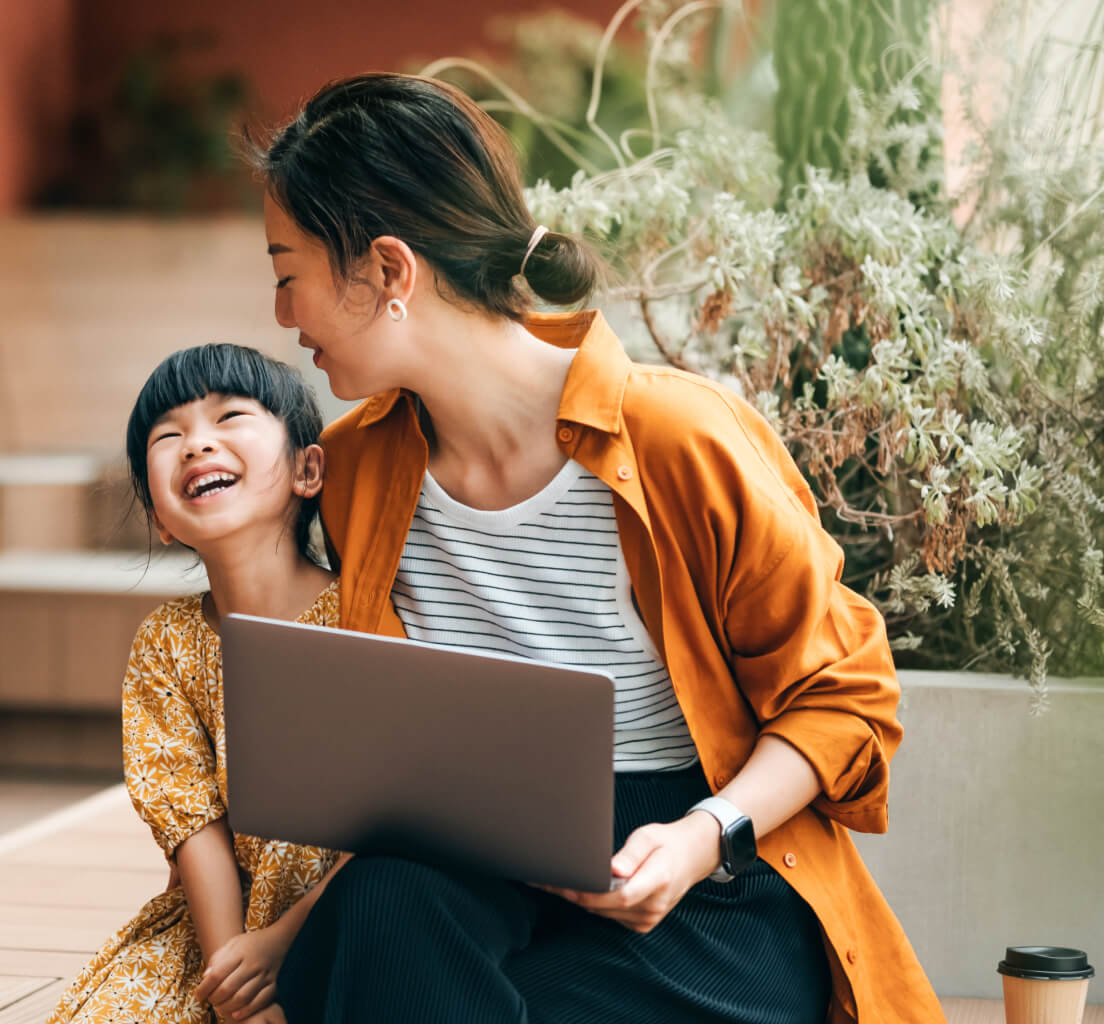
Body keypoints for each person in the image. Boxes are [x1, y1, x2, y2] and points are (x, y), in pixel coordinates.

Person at [248, 73, 947, 1023]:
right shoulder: (360, 468)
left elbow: (846, 698)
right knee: (384, 906)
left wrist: (704, 836)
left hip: (699, 879)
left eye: (288, 273)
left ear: (387, 272)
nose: (283, 316)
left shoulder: (675, 437)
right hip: (474, 867)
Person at [46, 344, 347, 1024]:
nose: (196, 444)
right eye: (167, 435)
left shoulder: (366, 613)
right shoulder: (167, 642)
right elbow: (194, 828)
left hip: (350, 904)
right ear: (158, 516)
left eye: (231, 416)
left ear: (308, 469)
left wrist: (279, 945)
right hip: (221, 926)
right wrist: (233, 975)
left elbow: (402, 813)